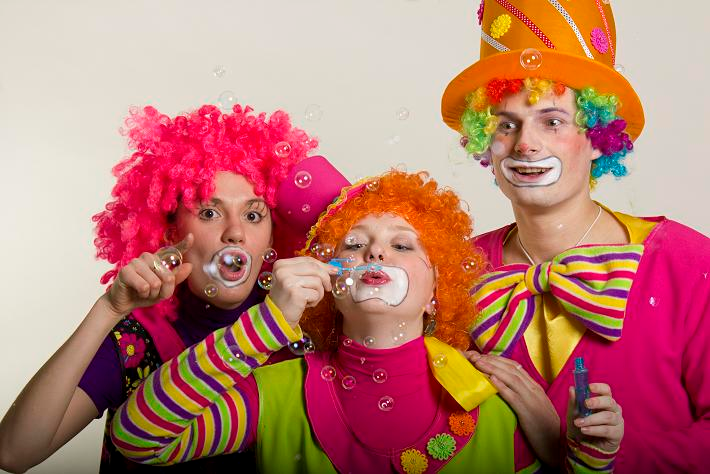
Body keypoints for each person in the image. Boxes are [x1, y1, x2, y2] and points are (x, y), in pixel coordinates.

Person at [108, 170, 623, 473]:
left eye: (403, 245)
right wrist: (270, 321)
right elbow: (137, 438)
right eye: (354, 245)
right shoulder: (275, 391)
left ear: (435, 294)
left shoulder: (494, 395)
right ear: (328, 285)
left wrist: (589, 458)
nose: (376, 249)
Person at [0, 103, 348, 473]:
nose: (235, 232)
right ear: (169, 231)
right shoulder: (137, 339)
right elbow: (14, 453)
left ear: (272, 235)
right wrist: (108, 310)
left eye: (253, 214)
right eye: (210, 213)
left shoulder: (303, 321)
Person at [440, 1, 710, 471]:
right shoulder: (452, 270)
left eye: (552, 121)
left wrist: (589, 456)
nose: (526, 143)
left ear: (599, 137)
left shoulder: (686, 261)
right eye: (506, 124)